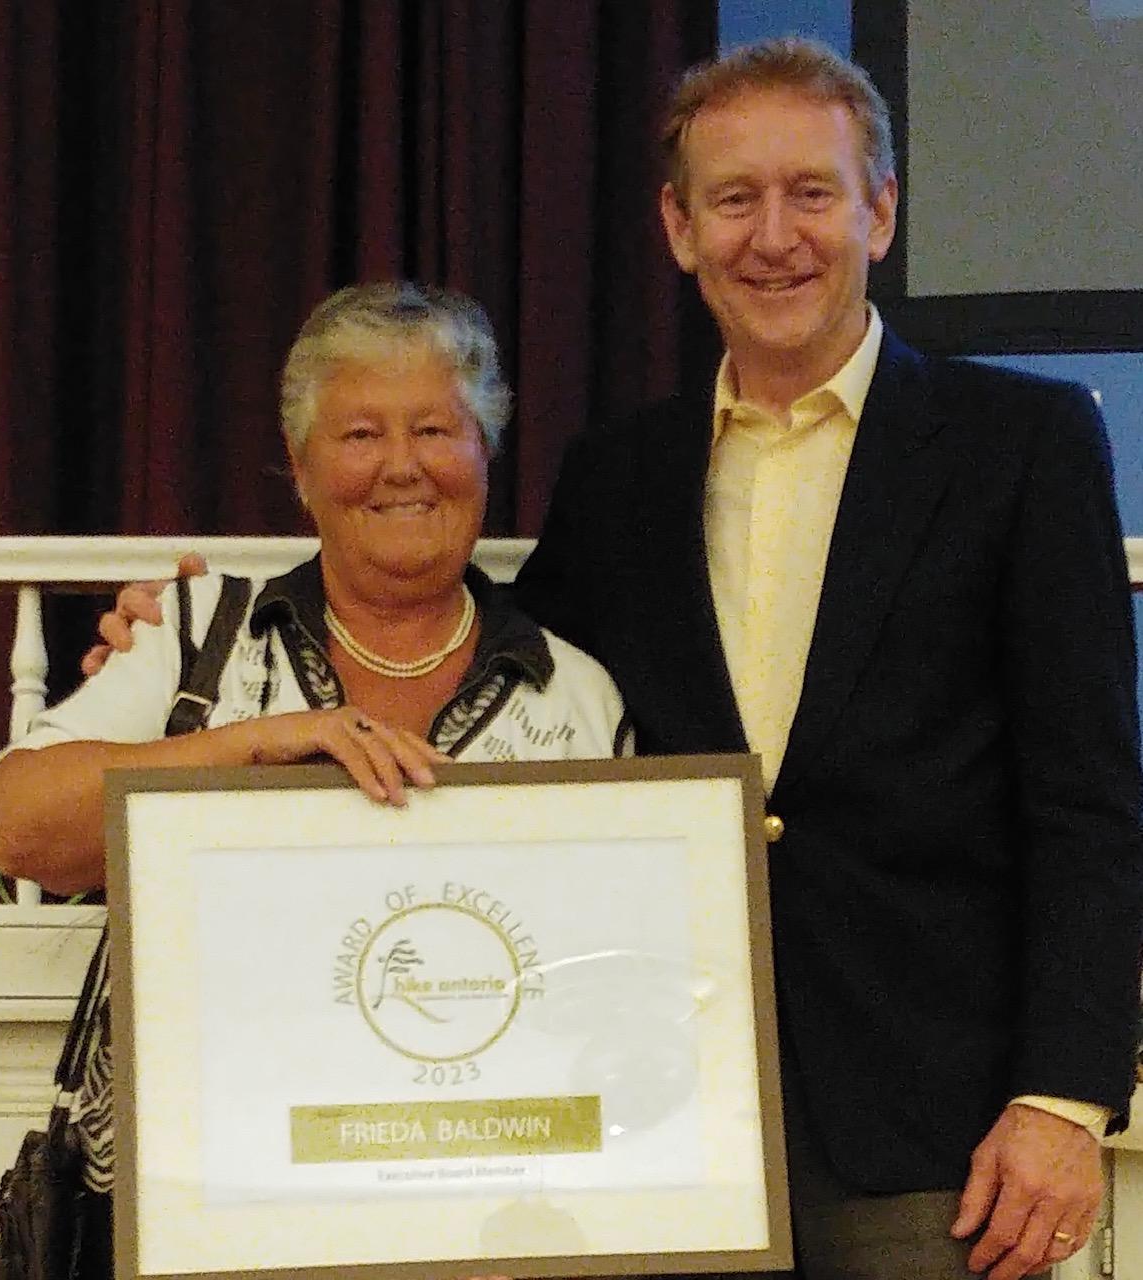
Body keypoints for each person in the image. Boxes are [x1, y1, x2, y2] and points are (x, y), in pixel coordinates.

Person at [79, 39, 1143, 1280]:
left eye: (812, 192)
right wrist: (188, 626)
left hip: (930, 1129)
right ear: (679, 227)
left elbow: (1090, 800)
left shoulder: (1026, 442)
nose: (775, 235)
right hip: (650, 1116)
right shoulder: (621, 472)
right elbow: (474, 652)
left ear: (882, 210)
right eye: (734, 200)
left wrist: (1064, 1097)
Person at [0, 281, 631, 1280]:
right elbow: (18, 826)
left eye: (435, 428)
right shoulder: (198, 634)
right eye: (361, 432)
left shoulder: (578, 691)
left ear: (485, 453)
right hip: (201, 1217)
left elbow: (621, 980)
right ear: (301, 465)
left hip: (492, 1221)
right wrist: (256, 747)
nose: (402, 465)